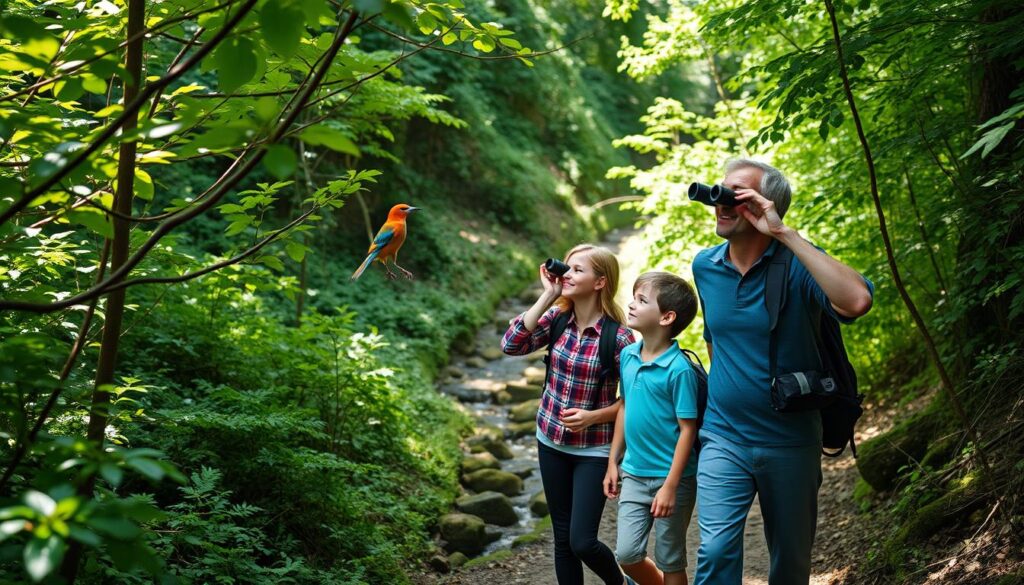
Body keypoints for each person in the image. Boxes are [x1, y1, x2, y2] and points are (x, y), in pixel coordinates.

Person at [691, 159, 874, 585]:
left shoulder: (797, 267)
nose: (721, 202)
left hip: (790, 440)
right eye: (721, 191)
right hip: (723, 436)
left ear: (764, 205)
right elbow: (714, 339)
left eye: (737, 195)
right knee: (715, 550)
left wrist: (783, 234)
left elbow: (856, 302)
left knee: (790, 564)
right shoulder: (705, 266)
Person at [502, 244, 636, 585]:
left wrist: (594, 417)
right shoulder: (557, 319)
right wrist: (548, 296)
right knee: (562, 541)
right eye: (567, 268)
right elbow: (511, 345)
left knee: (582, 542)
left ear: (600, 282)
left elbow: (635, 400)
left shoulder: (620, 338)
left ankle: (620, 583)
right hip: (550, 441)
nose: (567, 275)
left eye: (578, 270)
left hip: (593, 450)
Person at [604, 272, 701, 585]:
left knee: (671, 558)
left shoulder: (679, 370)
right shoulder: (629, 356)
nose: (631, 305)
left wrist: (670, 486)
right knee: (627, 554)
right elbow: (626, 407)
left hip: (673, 480)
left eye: (641, 300)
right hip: (633, 473)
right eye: (633, 297)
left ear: (666, 317)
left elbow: (688, 430)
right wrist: (612, 462)